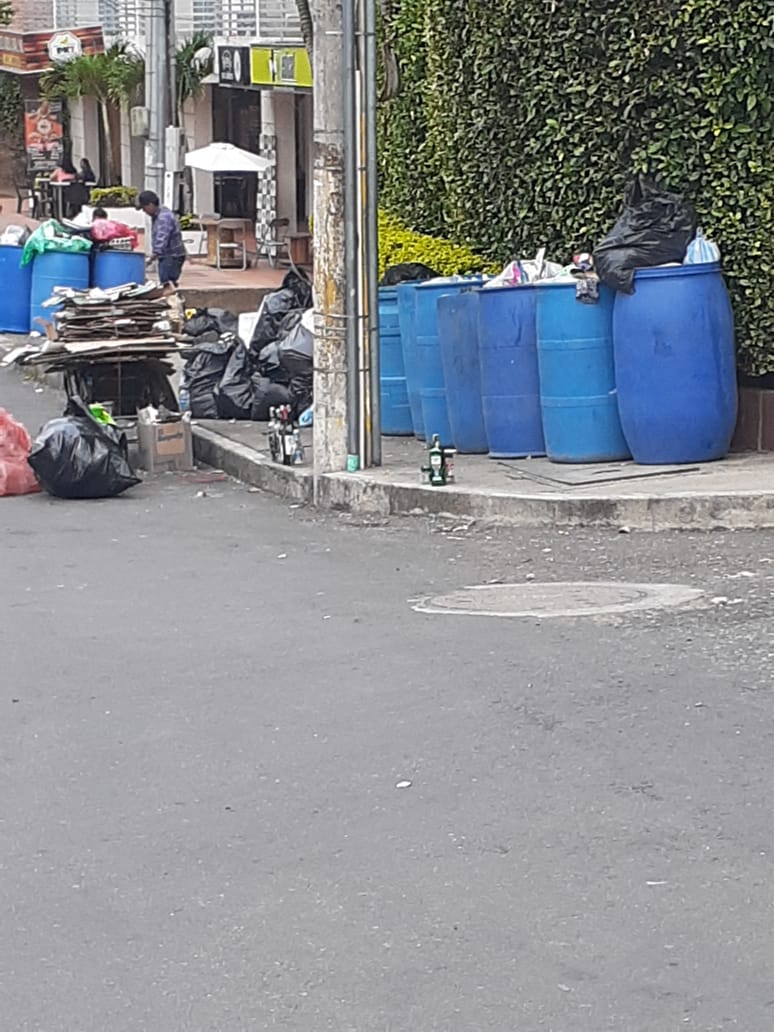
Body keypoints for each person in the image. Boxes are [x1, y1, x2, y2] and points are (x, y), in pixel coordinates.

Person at [137, 189, 186, 286]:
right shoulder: (159, 215)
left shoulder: (163, 217)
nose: (144, 211)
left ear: (151, 205)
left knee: (166, 283)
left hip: (172, 256)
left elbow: (161, 238)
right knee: (168, 283)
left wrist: (152, 257)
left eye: (144, 208)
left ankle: (173, 299)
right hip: (170, 255)